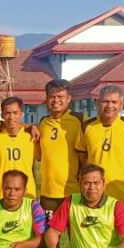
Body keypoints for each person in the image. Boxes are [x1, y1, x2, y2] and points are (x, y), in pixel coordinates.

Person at [75, 84, 124, 208]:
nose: (109, 106)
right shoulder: (87, 127)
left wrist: (117, 166)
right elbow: (82, 154)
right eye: (105, 101)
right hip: (94, 189)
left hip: (122, 189)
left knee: (123, 226)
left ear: (121, 104)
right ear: (98, 103)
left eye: (114, 102)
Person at [37, 79, 85, 217]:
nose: (55, 100)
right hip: (49, 191)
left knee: (75, 235)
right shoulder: (43, 122)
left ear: (69, 98)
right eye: (52, 97)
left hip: (74, 190)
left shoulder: (80, 120)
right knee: (49, 236)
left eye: (60, 97)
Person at [0, 96, 39, 199]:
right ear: (2, 115)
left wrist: (33, 126)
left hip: (28, 194)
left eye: (15, 113)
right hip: (3, 195)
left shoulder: (31, 136)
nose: (11, 117)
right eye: (7, 113)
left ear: (21, 114)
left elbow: (37, 165)